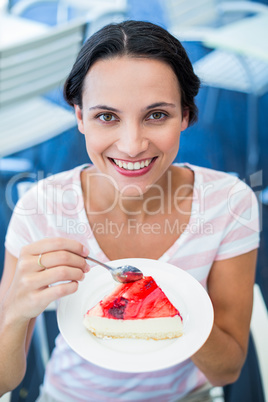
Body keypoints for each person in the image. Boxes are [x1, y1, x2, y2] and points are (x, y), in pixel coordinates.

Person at [0, 20, 259, 401]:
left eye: (156, 115)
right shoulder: (42, 209)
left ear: (186, 115)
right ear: (79, 117)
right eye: (107, 116)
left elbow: (227, 369)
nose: (132, 145)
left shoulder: (230, 204)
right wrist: (16, 313)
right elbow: (4, 382)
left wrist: (168, 302)